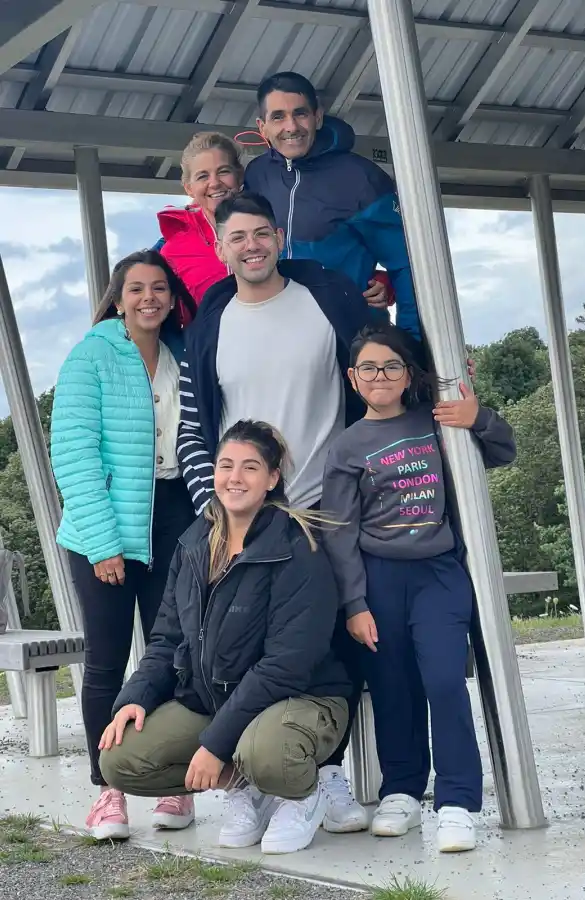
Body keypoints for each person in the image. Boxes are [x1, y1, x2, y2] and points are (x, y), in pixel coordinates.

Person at [176, 190, 372, 834]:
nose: (251, 245)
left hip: (323, 505)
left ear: (280, 236)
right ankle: (255, 778)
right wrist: (214, 502)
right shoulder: (214, 317)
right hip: (244, 512)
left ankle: (326, 774)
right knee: (251, 646)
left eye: (262, 233)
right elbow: (197, 419)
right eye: (238, 237)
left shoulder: (326, 297)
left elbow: (379, 366)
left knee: (336, 644)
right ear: (220, 245)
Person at [98, 420, 352, 855]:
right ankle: (247, 786)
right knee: (120, 760)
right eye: (226, 465)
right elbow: (165, 637)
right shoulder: (194, 543)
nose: (235, 478)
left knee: (266, 752)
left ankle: (303, 795)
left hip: (303, 699)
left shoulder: (299, 548)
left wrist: (216, 743)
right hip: (214, 699)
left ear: (272, 479)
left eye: (250, 467)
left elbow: (285, 667)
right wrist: (136, 696)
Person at [320, 323, 517, 853]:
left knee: (444, 681)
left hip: (438, 575)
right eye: (368, 368)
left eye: (391, 366)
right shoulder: (345, 447)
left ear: (408, 374)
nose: (380, 376)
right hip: (379, 580)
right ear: (353, 378)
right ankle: (402, 791)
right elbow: (339, 533)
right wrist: (355, 604)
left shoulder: (439, 424)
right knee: (392, 687)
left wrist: (480, 419)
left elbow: (503, 452)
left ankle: (456, 802)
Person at [50, 250, 197, 841]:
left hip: (173, 515)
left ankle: (170, 781)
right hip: (104, 525)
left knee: (173, 654)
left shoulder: (182, 353)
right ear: (117, 296)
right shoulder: (91, 355)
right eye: (136, 288)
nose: (148, 298)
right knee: (108, 661)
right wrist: (106, 544)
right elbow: (75, 456)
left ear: (171, 296)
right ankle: (107, 789)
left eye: (159, 288)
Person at [245, 71, 418, 334]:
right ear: (262, 127)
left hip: (350, 339)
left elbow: (406, 265)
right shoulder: (256, 175)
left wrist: (411, 344)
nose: (291, 127)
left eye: (300, 113)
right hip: (275, 336)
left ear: (318, 116)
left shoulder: (362, 179)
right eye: (278, 116)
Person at [155, 131, 390, 322]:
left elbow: (323, 260)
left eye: (223, 171)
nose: (214, 183)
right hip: (221, 360)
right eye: (202, 176)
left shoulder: (275, 217)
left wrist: (379, 281)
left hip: (292, 339)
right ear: (188, 187)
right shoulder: (174, 248)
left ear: (240, 175)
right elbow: (153, 297)